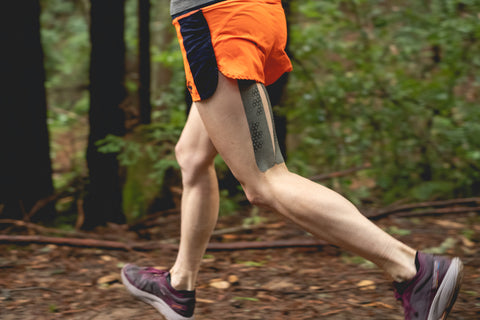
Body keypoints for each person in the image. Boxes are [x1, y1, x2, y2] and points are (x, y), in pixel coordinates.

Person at [121, 1, 464, 319]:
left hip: (219, 22)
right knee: (192, 156)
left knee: (265, 181)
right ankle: (179, 285)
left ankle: (413, 270)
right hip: (246, 15)